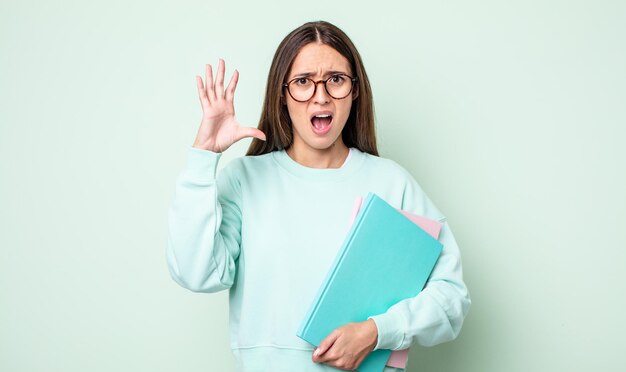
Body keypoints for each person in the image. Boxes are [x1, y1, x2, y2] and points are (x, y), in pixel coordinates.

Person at [167, 20, 470, 372]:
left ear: (355, 91)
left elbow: (452, 296)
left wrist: (377, 331)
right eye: (303, 82)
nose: (321, 95)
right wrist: (204, 156)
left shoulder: (392, 182)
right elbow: (195, 272)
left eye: (336, 80)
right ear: (282, 94)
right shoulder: (244, 179)